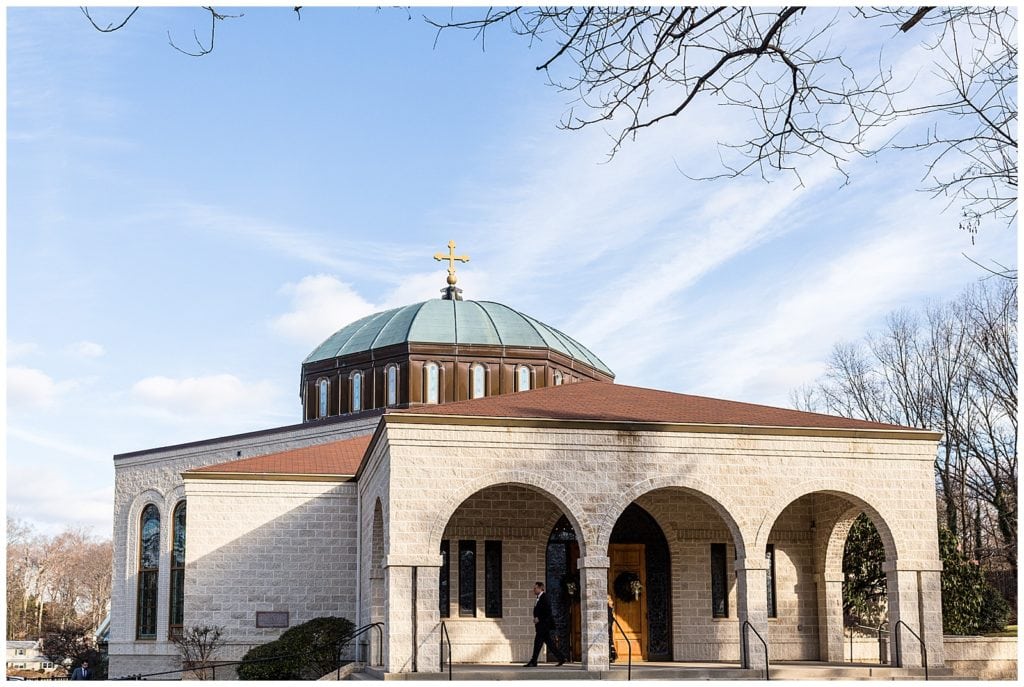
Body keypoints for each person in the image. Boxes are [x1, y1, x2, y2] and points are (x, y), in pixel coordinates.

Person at [524, 581, 565, 667]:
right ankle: (561, 658)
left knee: (537, 643)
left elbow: (548, 612)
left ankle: (533, 661)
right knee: (549, 643)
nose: (533, 589)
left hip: (544, 625)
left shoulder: (544, 597)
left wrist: (539, 618)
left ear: (540, 588)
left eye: (535, 588)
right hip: (541, 626)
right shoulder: (539, 598)